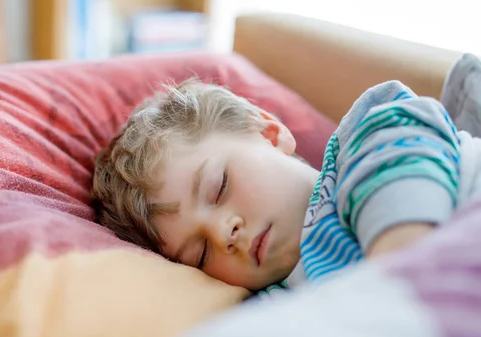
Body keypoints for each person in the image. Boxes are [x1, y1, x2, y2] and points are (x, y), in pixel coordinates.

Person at [91, 79, 481, 295]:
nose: (224, 232)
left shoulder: (366, 140)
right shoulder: (277, 304)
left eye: (218, 187)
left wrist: (400, 272)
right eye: (202, 252)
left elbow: (399, 162)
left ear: (268, 132)